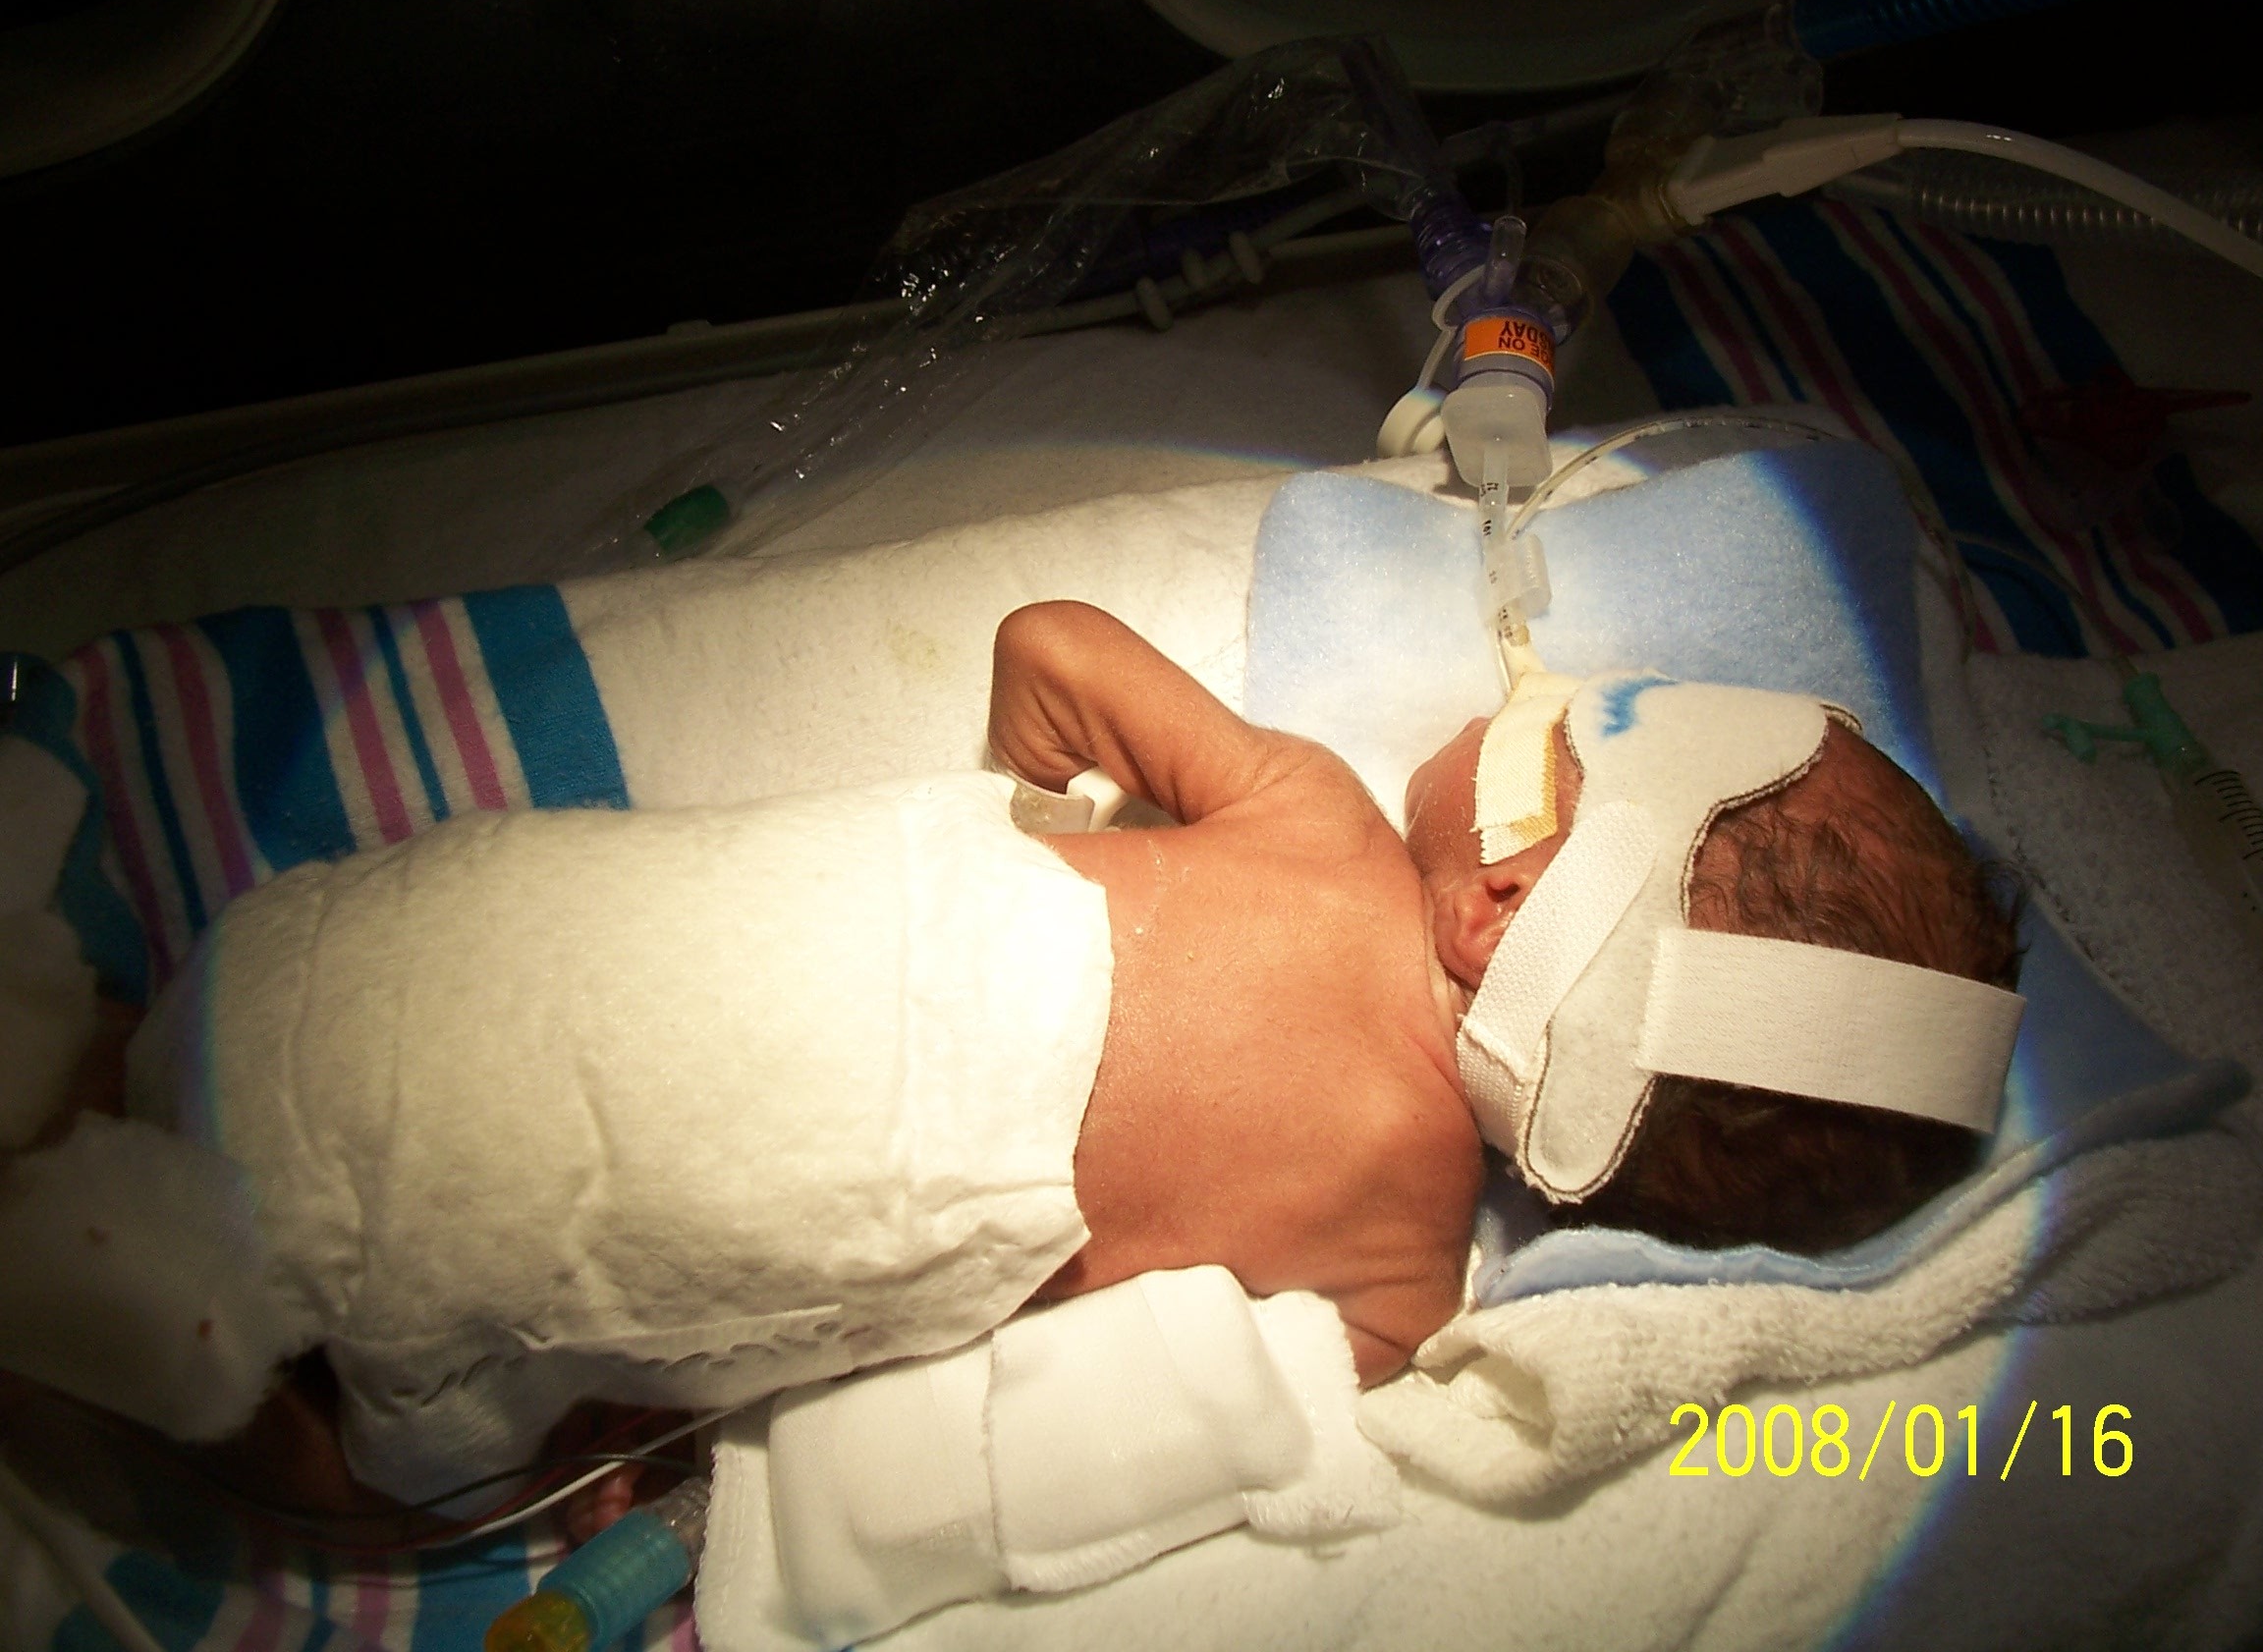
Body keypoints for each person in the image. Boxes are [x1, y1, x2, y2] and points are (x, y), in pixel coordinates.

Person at [12, 597, 2017, 1520]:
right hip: (540, 1269)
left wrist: (1045, 823)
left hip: (409, 953)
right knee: (415, 1440)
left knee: (331, 1031)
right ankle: (155, 1329)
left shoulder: (1311, 824)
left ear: (1507, 898)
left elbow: (1051, 645)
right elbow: (1071, 1397)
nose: (1546, 699)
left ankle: (76, 1063)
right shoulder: (1399, 1282)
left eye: (1587, 739)